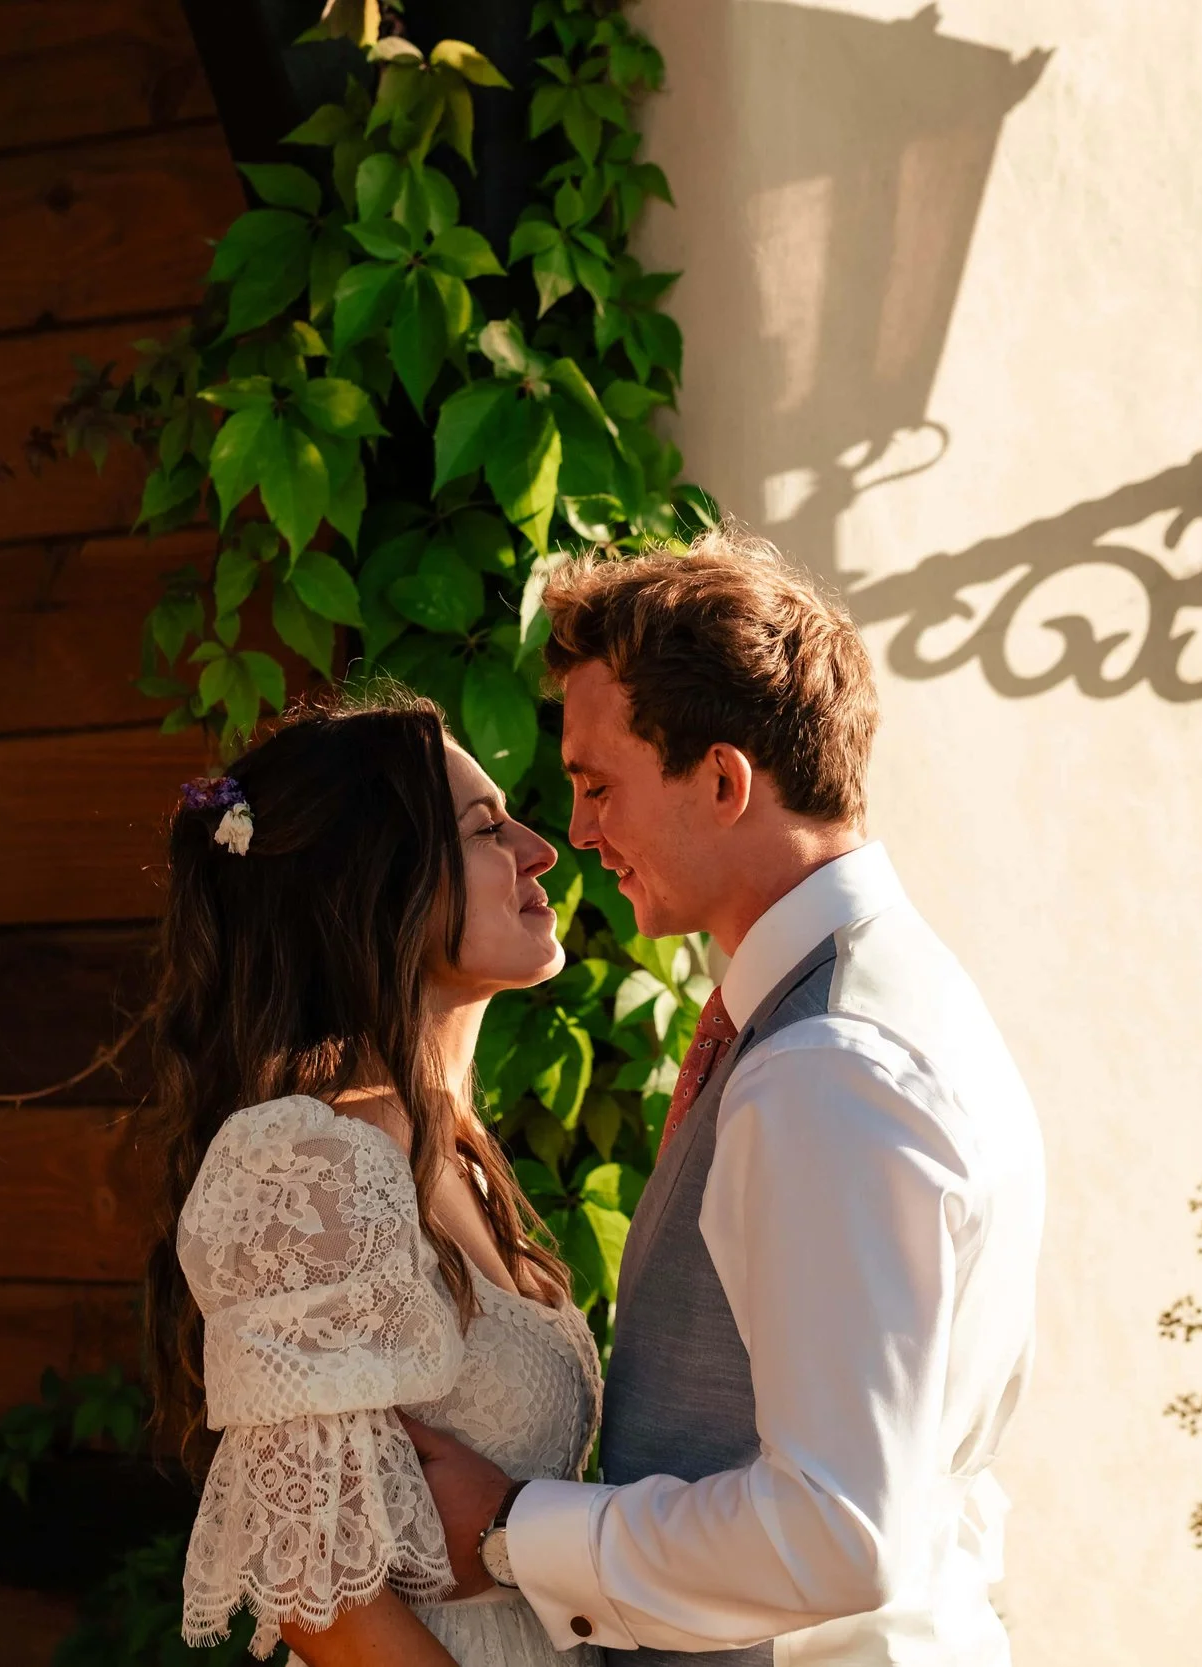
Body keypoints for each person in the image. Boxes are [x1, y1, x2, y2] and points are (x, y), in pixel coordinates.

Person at [409, 531, 1048, 1667]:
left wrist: (513, 1530)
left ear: (721, 780)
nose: (579, 834)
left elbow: (837, 1530)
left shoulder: (826, 1066)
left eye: (599, 785)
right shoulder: (864, 996)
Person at [145, 689, 605, 1667]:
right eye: (487, 828)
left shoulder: (455, 1151)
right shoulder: (309, 1156)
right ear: (378, 883)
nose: (540, 849)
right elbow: (322, 1595)